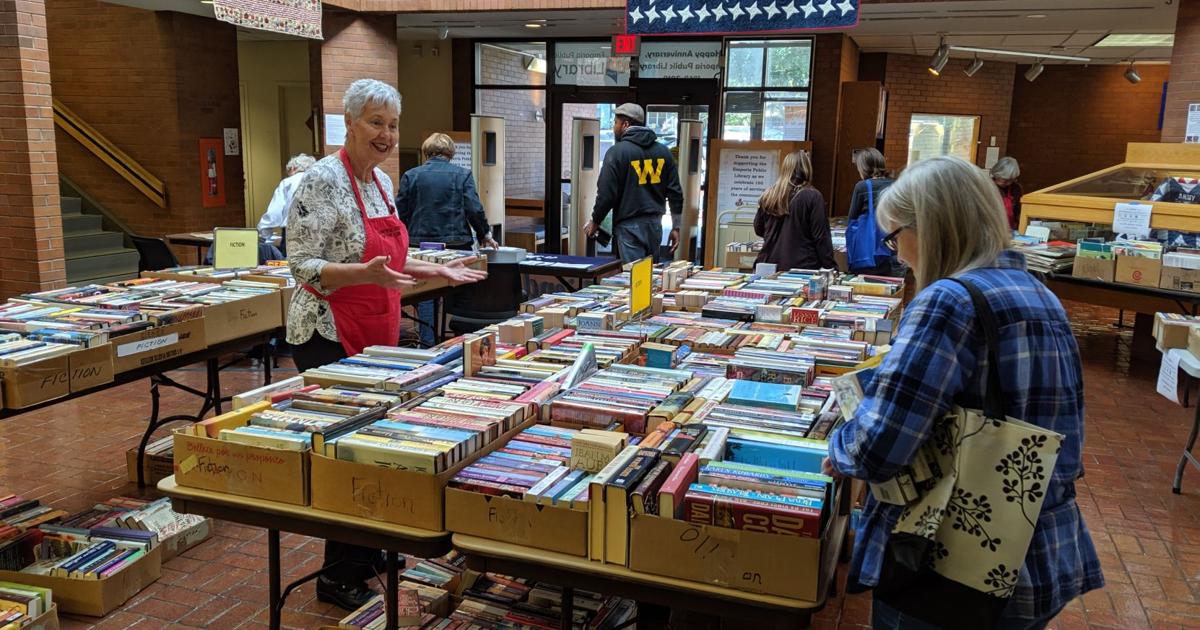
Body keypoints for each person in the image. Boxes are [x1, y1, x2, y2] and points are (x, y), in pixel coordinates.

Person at [822, 156, 1103, 629]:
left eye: (895, 237)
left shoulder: (948, 301)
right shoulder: (1039, 294)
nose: (896, 254)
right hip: (1035, 548)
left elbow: (877, 448)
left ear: (930, 228)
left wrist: (839, 444)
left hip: (949, 561)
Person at [286, 79, 487, 610]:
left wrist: (437, 268)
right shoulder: (320, 181)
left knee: (378, 447)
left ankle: (368, 549)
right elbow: (301, 265)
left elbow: (390, 263)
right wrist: (365, 273)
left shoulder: (377, 180)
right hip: (327, 330)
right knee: (348, 454)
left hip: (374, 326)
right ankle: (337, 573)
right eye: (376, 122)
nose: (386, 134)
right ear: (350, 123)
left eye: (393, 125)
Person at [396, 133, 498, 347]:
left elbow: (400, 212)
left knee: (426, 292)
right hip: (455, 243)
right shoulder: (462, 175)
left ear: (427, 151)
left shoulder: (411, 175)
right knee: (459, 287)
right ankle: (458, 339)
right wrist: (484, 234)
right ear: (450, 152)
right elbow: (473, 208)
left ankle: (427, 343)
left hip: (420, 244)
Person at [583, 103, 683, 263]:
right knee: (650, 276)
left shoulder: (617, 153)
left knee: (634, 278)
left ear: (625, 124)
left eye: (615, 122)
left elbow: (606, 194)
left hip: (628, 226)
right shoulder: (663, 152)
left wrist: (596, 221)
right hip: (654, 225)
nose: (614, 127)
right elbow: (675, 193)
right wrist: (676, 227)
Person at [752, 149, 835, 271]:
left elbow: (759, 229)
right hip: (802, 267)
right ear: (807, 169)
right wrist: (831, 268)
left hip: (768, 264)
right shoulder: (813, 196)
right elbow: (821, 237)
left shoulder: (768, 195)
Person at [845, 147, 903, 276]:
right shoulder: (897, 184)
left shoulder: (862, 186)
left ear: (863, 168)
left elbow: (852, 220)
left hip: (869, 253)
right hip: (894, 250)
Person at [257, 153, 316, 241]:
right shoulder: (320, 181)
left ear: (293, 168)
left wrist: (263, 234)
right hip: (317, 231)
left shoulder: (287, 182)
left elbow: (275, 213)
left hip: (293, 232)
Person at [991, 156, 1023, 231]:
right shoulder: (986, 185)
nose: (1008, 183)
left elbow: (1018, 212)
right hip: (991, 229)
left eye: (1011, 180)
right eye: (1005, 179)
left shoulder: (1016, 188)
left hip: (1009, 230)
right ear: (997, 174)